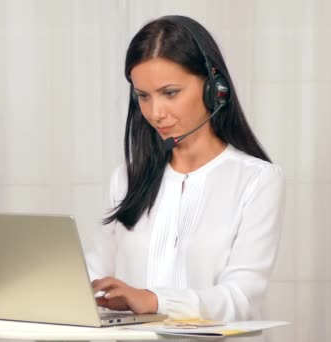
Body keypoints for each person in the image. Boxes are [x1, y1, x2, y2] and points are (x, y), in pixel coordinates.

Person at [86, 15, 286, 322]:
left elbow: (242, 297)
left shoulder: (256, 180)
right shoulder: (127, 178)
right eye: (143, 96)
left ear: (215, 88)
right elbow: (95, 275)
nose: (155, 113)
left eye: (170, 93)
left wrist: (153, 300)